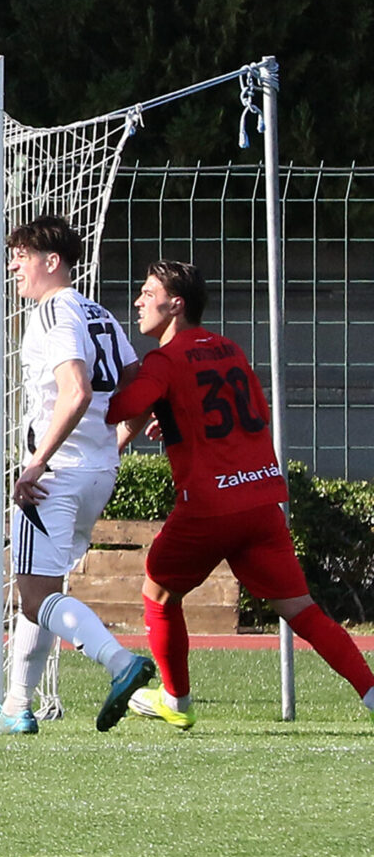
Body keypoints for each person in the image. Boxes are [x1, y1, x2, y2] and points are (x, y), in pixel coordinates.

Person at [105, 259, 374, 729]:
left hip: (210, 507)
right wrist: (176, 415)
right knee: (302, 611)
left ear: (176, 304)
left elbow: (120, 408)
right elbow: (247, 412)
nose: (138, 302)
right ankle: (371, 693)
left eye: (148, 294)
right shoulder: (230, 348)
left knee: (158, 593)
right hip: (261, 500)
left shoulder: (163, 360)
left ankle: (177, 701)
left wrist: (81, 383)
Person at [0, 215, 154, 735]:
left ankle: (120, 663)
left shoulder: (54, 310)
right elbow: (138, 385)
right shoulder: (99, 312)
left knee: (35, 595)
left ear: (51, 261)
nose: (13, 268)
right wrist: (115, 443)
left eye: (21, 258)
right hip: (97, 472)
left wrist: (37, 461)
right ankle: (17, 706)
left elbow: (76, 390)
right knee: (43, 590)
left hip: (55, 476)